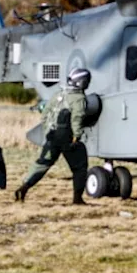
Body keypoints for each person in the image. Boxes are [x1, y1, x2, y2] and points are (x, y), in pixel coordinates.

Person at [14, 67, 90, 205]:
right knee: (80, 167)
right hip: (68, 138)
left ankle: (24, 187)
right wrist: (77, 136)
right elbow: (77, 119)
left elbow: (45, 115)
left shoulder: (58, 95)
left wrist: (49, 132)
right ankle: (77, 199)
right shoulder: (78, 99)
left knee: (43, 163)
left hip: (52, 136)